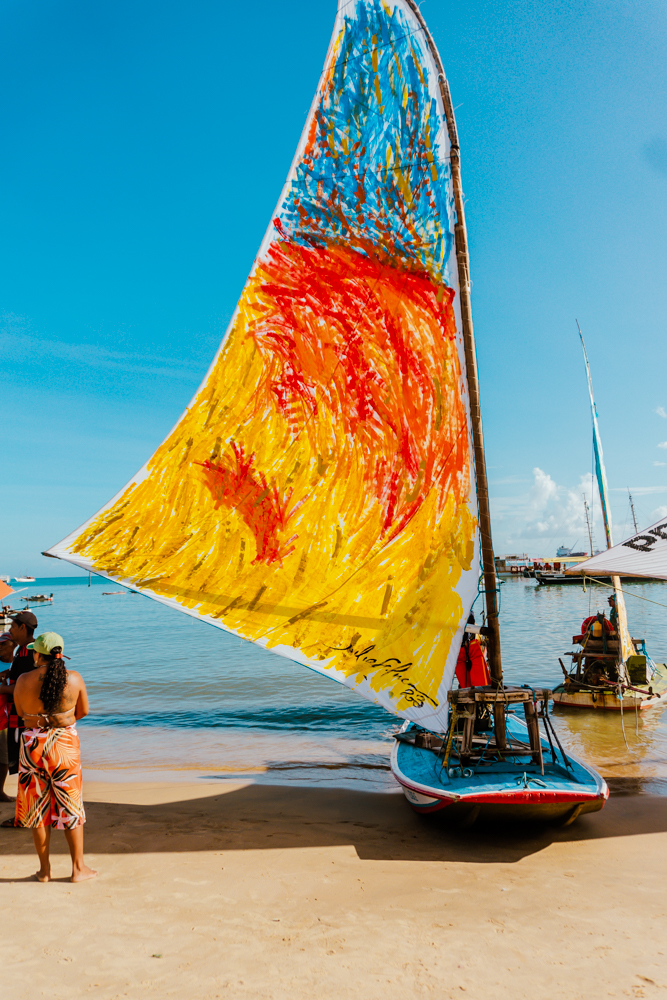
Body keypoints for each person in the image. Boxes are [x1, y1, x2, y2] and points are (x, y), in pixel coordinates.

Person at [12, 632, 96, 883]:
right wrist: (60, 721)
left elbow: (20, 713)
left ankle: (44, 871)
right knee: (70, 806)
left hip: (31, 746)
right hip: (64, 747)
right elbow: (83, 711)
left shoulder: (22, 680)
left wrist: (40, 723)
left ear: (38, 654)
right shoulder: (74, 678)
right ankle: (78, 869)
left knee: (37, 810)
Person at [5, 611, 38, 778]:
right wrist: (8, 673)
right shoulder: (22, 649)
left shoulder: (27, 652)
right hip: (21, 715)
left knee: (25, 762)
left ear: (22, 628)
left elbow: (23, 687)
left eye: (12, 626)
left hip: (22, 718)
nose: (9, 629)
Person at [0, 632, 16, 802]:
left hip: (7, 717)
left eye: (4, 644)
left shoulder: (18, 664)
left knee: (4, 757)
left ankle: (0, 791)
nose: (0, 646)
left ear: (13, 645)